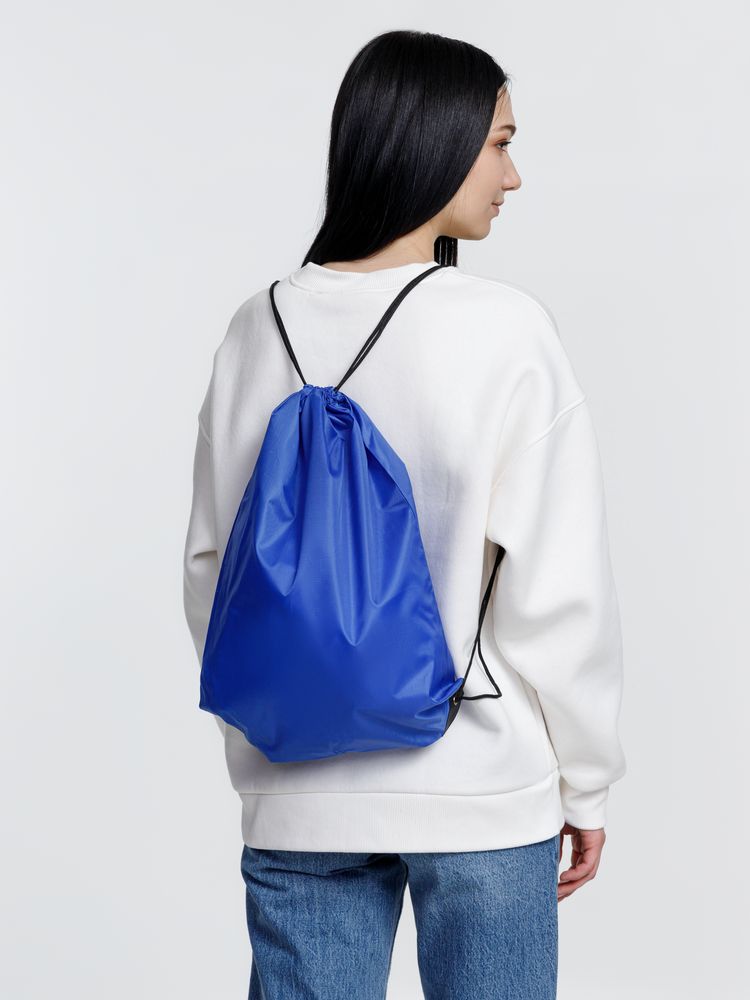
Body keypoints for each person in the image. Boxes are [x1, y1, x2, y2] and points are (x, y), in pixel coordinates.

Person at [182, 28, 626, 1000]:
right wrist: (586, 780)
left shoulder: (255, 328)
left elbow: (213, 568)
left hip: (295, 791)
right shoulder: (503, 330)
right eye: (501, 144)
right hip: (478, 788)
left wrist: (267, 741)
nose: (513, 176)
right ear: (435, 141)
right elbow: (559, 594)